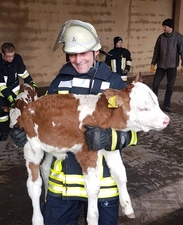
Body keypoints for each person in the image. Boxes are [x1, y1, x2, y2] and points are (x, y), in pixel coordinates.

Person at [10, 20, 138, 225]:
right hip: (63, 185)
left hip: (102, 185)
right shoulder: (59, 83)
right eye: (72, 54)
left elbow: (133, 132)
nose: (77, 60)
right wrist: (25, 133)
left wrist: (108, 137)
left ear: (96, 51)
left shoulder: (113, 84)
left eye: (83, 53)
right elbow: (44, 122)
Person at [0, 42, 37, 141]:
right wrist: (9, 96)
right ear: (2, 54)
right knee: (2, 113)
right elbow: (0, 83)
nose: (11, 58)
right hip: (0, 92)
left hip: (14, 89)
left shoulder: (17, 59)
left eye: (12, 56)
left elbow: (23, 72)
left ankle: (19, 132)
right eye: (8, 56)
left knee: (17, 111)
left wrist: (31, 82)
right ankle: (3, 132)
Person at [150, 18, 183, 113]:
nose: (163, 28)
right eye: (163, 26)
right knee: (155, 84)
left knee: (170, 86)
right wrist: (153, 63)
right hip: (161, 66)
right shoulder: (161, 38)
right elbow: (156, 51)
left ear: (170, 27)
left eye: (165, 26)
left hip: (172, 66)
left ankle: (167, 104)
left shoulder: (179, 37)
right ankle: (153, 103)